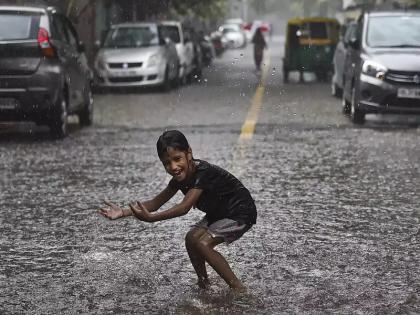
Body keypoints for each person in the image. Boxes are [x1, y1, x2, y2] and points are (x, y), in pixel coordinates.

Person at [99, 130, 257, 292]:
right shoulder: (179, 179)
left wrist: (152, 218)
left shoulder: (203, 172)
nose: (173, 167)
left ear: (189, 153)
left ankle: (237, 287)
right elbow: (154, 203)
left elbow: (184, 207)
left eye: (177, 159)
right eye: (167, 163)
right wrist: (124, 212)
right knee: (191, 239)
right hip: (219, 213)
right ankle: (204, 283)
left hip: (240, 212)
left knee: (203, 244)